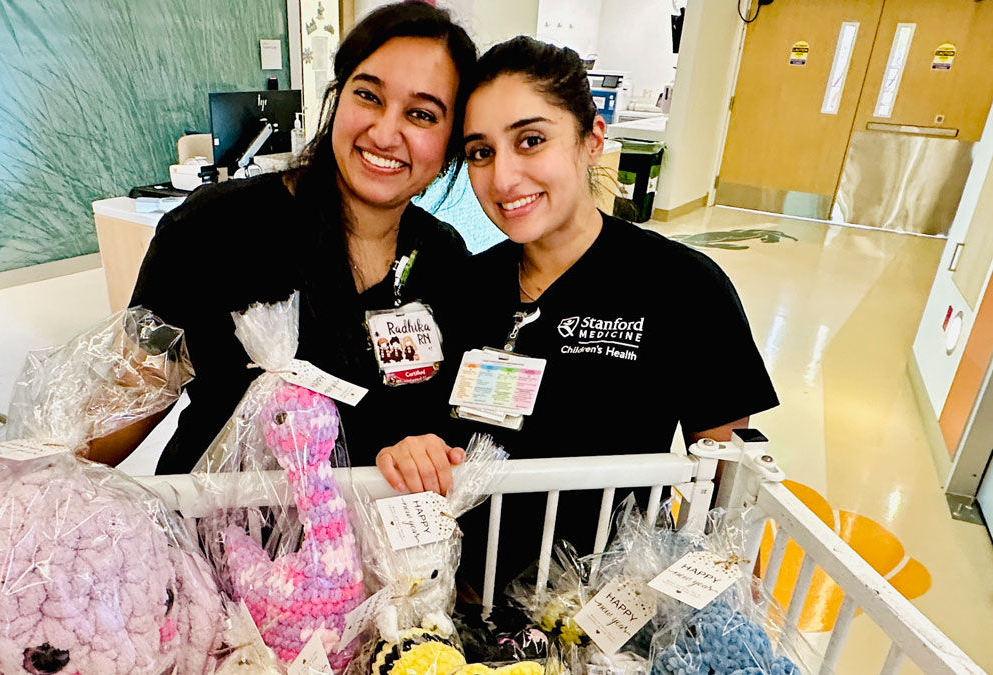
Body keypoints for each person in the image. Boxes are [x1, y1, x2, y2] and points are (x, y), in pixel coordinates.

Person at [381, 36, 780, 591]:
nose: (503, 178)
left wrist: (736, 616)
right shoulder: (463, 284)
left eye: (531, 140)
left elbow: (725, 487)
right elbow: (416, 427)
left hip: (600, 609)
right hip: (457, 594)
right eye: (481, 151)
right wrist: (408, 448)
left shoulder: (684, 287)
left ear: (592, 139)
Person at [83, 2, 477, 487]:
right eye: (368, 96)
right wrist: (25, 463)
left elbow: (446, 423)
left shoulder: (446, 260)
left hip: (366, 551)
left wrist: (428, 449)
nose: (385, 131)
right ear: (336, 99)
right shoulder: (214, 227)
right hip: (212, 538)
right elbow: (135, 391)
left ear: (450, 143)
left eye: (420, 114)